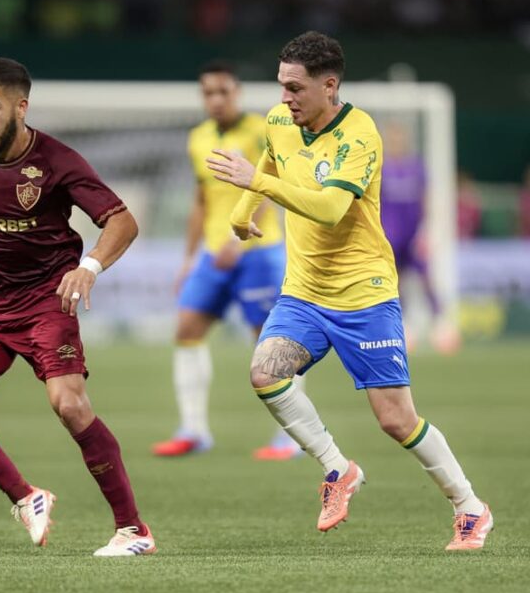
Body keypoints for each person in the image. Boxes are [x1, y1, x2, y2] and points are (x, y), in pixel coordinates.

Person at [206, 31, 492, 550]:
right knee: (265, 374)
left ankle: (470, 506)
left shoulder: (360, 135)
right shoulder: (279, 120)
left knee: (395, 419)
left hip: (364, 293)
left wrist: (255, 186)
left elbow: (331, 209)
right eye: (281, 86)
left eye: (295, 88)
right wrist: (243, 214)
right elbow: (272, 157)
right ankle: (338, 469)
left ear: (329, 85)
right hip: (304, 292)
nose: (284, 98)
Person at [0, 58, 155, 557]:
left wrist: (89, 266)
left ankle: (133, 530)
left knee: (69, 404)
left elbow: (122, 222)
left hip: (46, 298)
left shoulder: (58, 161)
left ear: (21, 107)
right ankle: (26, 497)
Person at [151, 61, 302, 461]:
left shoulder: (261, 130)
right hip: (213, 254)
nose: (216, 100)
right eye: (208, 93)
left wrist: (243, 232)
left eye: (223, 91)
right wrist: (187, 259)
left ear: (238, 93)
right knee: (186, 329)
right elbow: (201, 200)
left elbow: (274, 188)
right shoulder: (198, 138)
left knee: (271, 345)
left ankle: (291, 436)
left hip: (257, 252)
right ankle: (194, 431)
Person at [379, 121, 458, 353]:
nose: (395, 143)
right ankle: (403, 326)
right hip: (390, 236)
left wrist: (428, 230)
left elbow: (426, 199)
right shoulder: (381, 168)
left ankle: (441, 323)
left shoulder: (416, 167)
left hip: (414, 235)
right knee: (395, 281)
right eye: (391, 139)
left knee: (426, 278)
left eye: (398, 138)